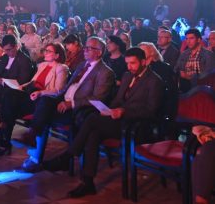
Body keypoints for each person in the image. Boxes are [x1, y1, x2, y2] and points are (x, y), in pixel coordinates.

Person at [43, 47, 164, 198]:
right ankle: (88, 182)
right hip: (118, 120)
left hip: (137, 126)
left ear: (144, 62)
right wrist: (108, 109)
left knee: (92, 120)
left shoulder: (154, 81)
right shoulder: (127, 76)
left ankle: (68, 156)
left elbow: (151, 111)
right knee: (93, 133)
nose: (129, 67)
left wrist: (124, 112)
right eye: (127, 63)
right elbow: (118, 100)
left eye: (133, 63)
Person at [15, 36, 115, 172]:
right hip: (62, 101)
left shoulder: (105, 72)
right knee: (44, 102)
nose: (85, 50)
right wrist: (51, 95)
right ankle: (33, 145)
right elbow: (66, 88)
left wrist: (71, 104)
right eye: (85, 47)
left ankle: (34, 151)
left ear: (99, 52)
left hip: (78, 110)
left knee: (43, 115)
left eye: (89, 48)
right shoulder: (82, 65)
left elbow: (98, 98)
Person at [0, 43, 69, 156]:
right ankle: (2, 126)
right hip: (32, 95)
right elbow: (33, 82)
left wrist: (40, 92)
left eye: (49, 51)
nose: (45, 53)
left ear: (57, 55)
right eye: (45, 50)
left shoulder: (61, 68)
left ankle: (26, 136)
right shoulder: (42, 65)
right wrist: (21, 87)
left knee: (12, 105)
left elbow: (58, 90)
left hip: (43, 99)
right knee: (10, 94)